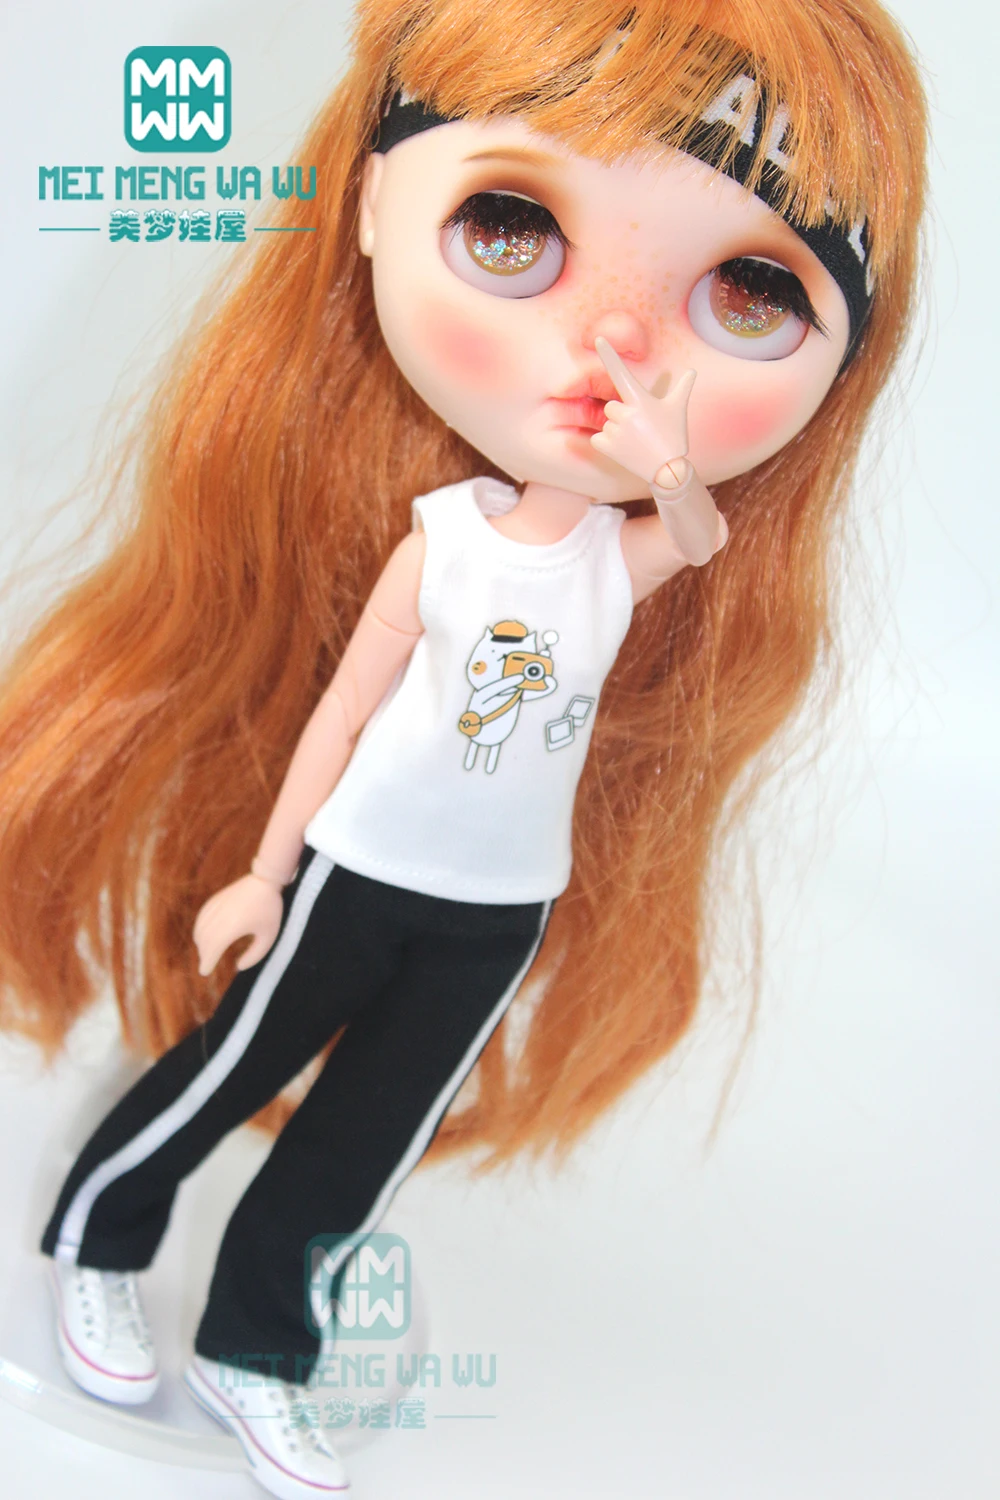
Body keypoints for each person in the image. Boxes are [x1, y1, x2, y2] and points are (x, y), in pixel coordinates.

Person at [0, 2, 928, 1495]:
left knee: (366, 1138)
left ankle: (253, 1350)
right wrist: (264, 873)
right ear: (374, 202)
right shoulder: (443, 542)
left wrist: (666, 452)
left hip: (497, 906)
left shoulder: (614, 558)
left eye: (751, 293)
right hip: (359, 869)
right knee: (233, 1066)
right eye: (511, 227)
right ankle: (97, 1240)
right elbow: (344, 713)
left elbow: (693, 536)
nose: (614, 343)